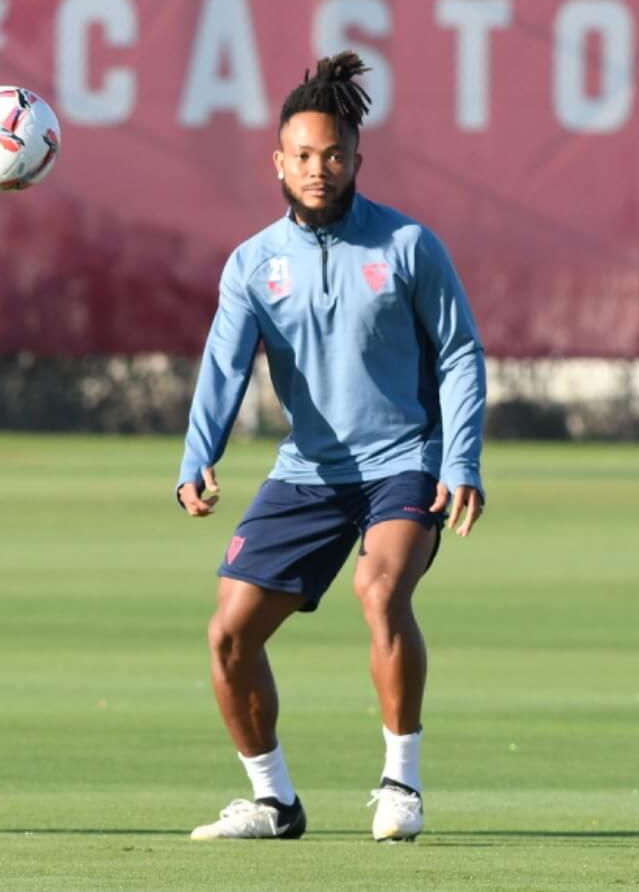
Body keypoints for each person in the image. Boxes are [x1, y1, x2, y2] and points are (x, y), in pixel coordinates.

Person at [179, 52, 486, 843]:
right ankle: (274, 801)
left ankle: (402, 786)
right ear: (278, 161)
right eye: (305, 156)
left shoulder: (409, 245)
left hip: (406, 459)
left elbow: (458, 355)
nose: (321, 170)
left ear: (358, 159)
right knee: (228, 634)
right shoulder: (252, 263)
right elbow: (223, 364)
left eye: (336, 155)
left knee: (380, 593)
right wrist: (198, 454)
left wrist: (461, 462)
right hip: (310, 471)